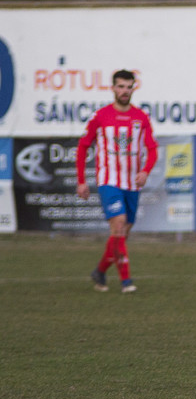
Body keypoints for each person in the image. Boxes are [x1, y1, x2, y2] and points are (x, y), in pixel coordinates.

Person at [76, 69, 158, 294]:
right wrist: (81, 180)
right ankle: (126, 281)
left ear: (133, 88)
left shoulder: (141, 118)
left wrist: (146, 171)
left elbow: (152, 149)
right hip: (109, 181)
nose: (124, 91)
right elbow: (83, 147)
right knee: (119, 225)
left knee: (122, 234)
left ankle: (100, 271)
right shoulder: (101, 116)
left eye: (128, 87)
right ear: (113, 88)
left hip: (132, 184)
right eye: (120, 86)